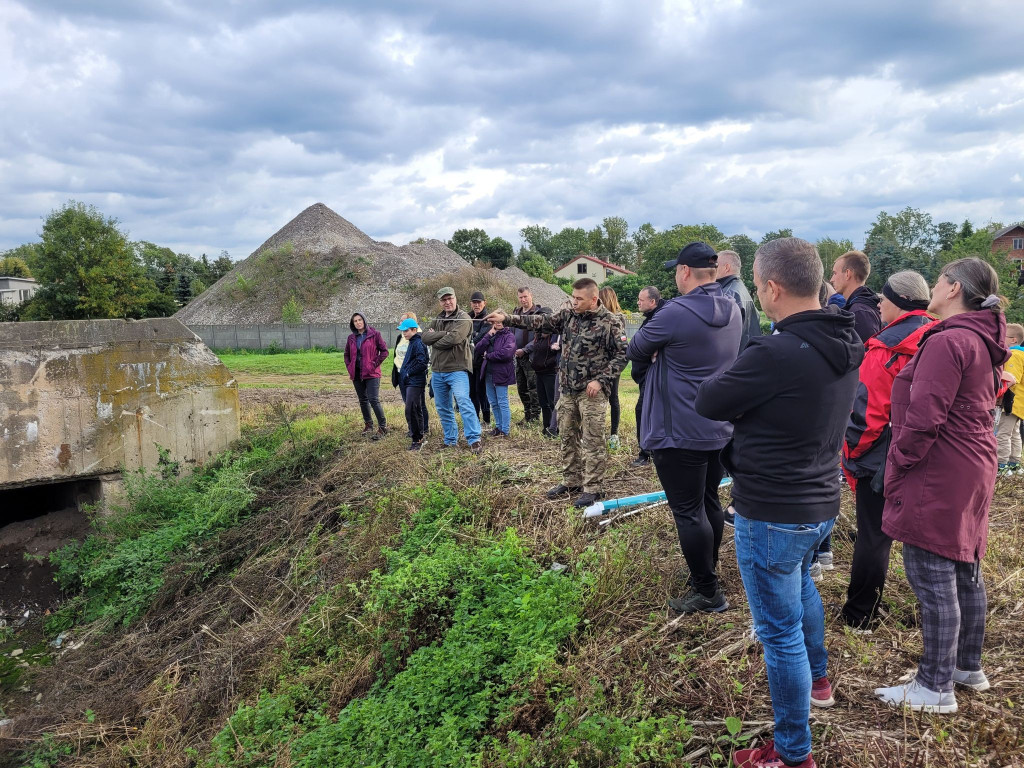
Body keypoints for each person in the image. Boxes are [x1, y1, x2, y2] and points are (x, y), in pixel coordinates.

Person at [695, 237, 863, 768]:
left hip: (772, 510)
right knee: (803, 586)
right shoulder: (846, 337)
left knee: (778, 632)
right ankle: (819, 682)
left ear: (771, 287)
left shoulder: (776, 352)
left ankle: (793, 753)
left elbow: (709, 401)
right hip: (819, 504)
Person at [875, 258, 1010, 714]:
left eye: (937, 281)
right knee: (964, 566)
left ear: (952, 289)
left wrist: (898, 465)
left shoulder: (948, 340)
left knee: (932, 575)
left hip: (940, 468)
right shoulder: (980, 339)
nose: (932, 287)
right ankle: (966, 667)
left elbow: (923, 417)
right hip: (973, 463)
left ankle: (934, 687)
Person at [628, 243, 740, 614]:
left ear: (685, 272)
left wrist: (662, 350)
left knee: (688, 511)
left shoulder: (675, 312)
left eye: (675, 270)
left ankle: (707, 591)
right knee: (708, 501)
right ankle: (705, 572)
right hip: (718, 424)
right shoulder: (734, 308)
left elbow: (637, 348)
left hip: (679, 429)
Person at [839, 271, 934, 630]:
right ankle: (936, 611)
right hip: (931, 449)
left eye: (883, 299)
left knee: (873, 536)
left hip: (883, 455)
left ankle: (859, 613)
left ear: (898, 302)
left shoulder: (885, 348)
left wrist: (852, 454)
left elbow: (868, 413)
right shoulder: (941, 335)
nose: (879, 304)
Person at [487, 278, 627, 508]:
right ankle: (571, 480)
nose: (574, 302)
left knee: (593, 440)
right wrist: (506, 318)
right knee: (567, 436)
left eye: (579, 299)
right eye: (573, 297)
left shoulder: (610, 322)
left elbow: (622, 355)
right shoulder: (568, 316)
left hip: (591, 393)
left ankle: (593, 488)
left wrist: (601, 381)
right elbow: (538, 321)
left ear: (594, 299)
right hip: (568, 390)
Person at [421, 287, 483, 453]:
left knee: (463, 401)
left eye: (450, 298)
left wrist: (436, 340)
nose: (447, 302)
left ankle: (474, 439)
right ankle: (450, 440)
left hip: (457, 369)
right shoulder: (437, 319)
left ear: (455, 298)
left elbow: (455, 338)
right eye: (443, 300)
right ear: (440, 302)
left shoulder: (464, 317)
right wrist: (444, 334)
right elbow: (424, 337)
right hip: (438, 371)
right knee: (443, 407)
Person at [630, 286, 665, 466]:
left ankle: (646, 453)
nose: (638, 302)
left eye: (641, 299)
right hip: (644, 376)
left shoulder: (660, 319)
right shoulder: (652, 318)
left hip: (653, 376)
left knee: (643, 410)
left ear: (652, 302)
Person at [344, 312, 390, 439]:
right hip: (357, 373)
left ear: (364, 320)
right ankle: (368, 425)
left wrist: (373, 364)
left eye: (360, 320)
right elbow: (347, 354)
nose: (358, 322)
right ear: (352, 323)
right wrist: (349, 367)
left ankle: (383, 427)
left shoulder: (375, 334)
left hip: (372, 373)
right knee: (363, 400)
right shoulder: (351, 338)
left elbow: (385, 352)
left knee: (373, 399)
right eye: (355, 321)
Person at [475, 316, 516, 437]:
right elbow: (478, 348)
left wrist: (489, 356)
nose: (498, 323)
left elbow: (507, 353)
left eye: (500, 321)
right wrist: (488, 335)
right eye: (495, 321)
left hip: (501, 372)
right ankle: (498, 427)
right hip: (488, 372)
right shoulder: (491, 334)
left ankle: (505, 430)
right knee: (493, 401)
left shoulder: (509, 336)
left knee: (502, 401)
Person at [830, 250, 881, 343]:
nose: (831, 279)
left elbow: (865, 353)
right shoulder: (864, 305)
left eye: (835, 273)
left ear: (847, 274)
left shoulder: (859, 312)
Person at [512, 287, 546, 425]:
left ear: (531, 295)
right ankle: (527, 415)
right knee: (521, 388)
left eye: (525, 296)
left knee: (533, 388)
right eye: (520, 297)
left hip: (532, 356)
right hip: (518, 357)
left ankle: (535, 417)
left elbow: (540, 337)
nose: (523, 300)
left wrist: (526, 349)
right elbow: (511, 332)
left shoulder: (537, 313)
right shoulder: (516, 313)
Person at [599, 286, 627, 451]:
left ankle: (613, 434)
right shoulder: (603, 317)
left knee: (611, 398)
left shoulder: (617, 318)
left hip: (610, 363)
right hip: (606, 363)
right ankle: (609, 434)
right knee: (609, 399)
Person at [717, 249, 762, 351]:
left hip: (734, 360)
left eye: (716, 266)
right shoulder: (741, 289)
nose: (713, 269)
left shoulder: (728, 293)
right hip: (748, 355)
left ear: (726, 267)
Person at [392, 311, 429, 437]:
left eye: (405, 330)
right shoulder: (409, 340)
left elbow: (423, 362)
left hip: (414, 380)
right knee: (413, 407)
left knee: (413, 407)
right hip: (404, 377)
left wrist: (408, 372)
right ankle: (415, 431)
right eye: (402, 330)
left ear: (413, 329)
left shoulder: (418, 341)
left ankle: (418, 434)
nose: (403, 332)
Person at [997, 323, 1024, 474]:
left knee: (1003, 433)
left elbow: (1012, 380)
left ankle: (1001, 464)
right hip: (1020, 403)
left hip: (1012, 402)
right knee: (1014, 433)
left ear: (1013, 340)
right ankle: (1014, 462)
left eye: (1003, 336)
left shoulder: (1014, 355)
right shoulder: (1022, 354)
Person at [468, 291, 492, 428]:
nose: (476, 305)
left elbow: (480, 339)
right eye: (474, 302)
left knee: (482, 391)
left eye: (479, 302)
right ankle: (475, 418)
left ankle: (487, 419)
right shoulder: (466, 317)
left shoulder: (487, 319)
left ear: (484, 303)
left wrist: (470, 338)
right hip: (468, 362)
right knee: (471, 392)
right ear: (471, 303)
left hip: (482, 362)